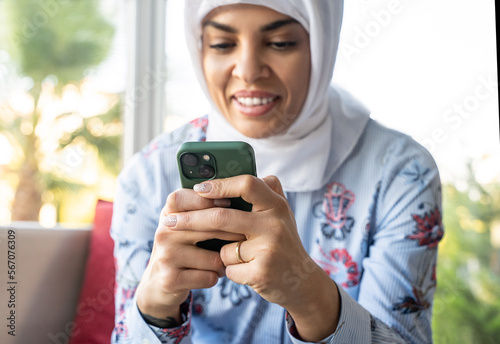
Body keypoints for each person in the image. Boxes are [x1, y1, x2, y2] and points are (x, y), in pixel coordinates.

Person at [111, 0, 444, 343]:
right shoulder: (149, 177)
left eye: (281, 43)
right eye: (223, 44)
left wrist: (310, 296)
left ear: (321, 43)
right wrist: (154, 308)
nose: (249, 70)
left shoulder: (400, 173)